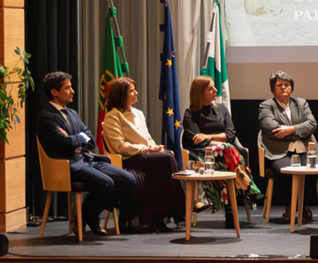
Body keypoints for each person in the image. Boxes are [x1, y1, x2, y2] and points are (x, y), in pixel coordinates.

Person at [36, 72, 136, 236]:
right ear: (54, 92)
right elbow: (65, 143)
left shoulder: (72, 114)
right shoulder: (47, 118)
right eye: (68, 88)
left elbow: (90, 139)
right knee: (107, 183)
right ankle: (87, 216)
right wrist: (79, 138)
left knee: (129, 179)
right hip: (68, 165)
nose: (73, 91)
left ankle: (86, 216)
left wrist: (77, 138)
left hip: (87, 159)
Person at [102, 77, 186, 231]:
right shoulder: (112, 116)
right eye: (132, 91)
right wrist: (146, 149)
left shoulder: (138, 114)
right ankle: (186, 204)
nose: (136, 93)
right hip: (128, 160)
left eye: (135, 89)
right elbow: (119, 146)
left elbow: (148, 138)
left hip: (145, 157)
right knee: (167, 158)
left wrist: (154, 147)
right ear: (121, 95)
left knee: (167, 155)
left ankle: (160, 219)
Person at [182, 75, 263, 212]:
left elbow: (231, 134)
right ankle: (248, 189)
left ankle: (235, 201)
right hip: (203, 154)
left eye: (214, 86)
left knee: (228, 149)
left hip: (226, 154)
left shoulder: (222, 109)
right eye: (210, 88)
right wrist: (220, 141)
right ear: (200, 92)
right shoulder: (191, 113)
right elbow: (196, 139)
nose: (215, 90)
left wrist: (208, 136)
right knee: (227, 148)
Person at [258, 70, 317, 221]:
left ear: (291, 87)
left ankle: (293, 206)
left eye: (287, 85)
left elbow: (312, 124)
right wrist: (300, 130)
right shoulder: (266, 106)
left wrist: (291, 129)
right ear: (273, 89)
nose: (284, 88)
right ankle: (300, 206)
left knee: (313, 172)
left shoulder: (301, 103)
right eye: (279, 85)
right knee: (288, 172)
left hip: (305, 150)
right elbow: (272, 129)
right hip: (279, 151)